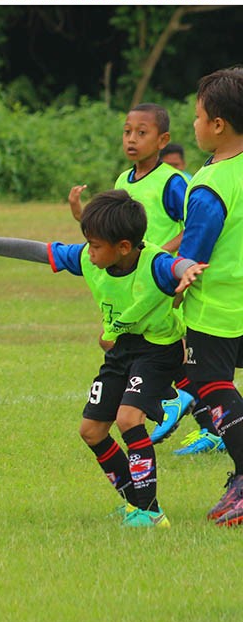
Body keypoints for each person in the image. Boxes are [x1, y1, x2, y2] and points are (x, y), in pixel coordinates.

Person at [0, 189, 205, 528]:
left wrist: (188, 270)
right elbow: (41, 251)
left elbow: (177, 265)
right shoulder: (92, 259)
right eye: (87, 243)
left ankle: (150, 512)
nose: (89, 253)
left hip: (158, 350)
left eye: (96, 246)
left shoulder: (155, 263)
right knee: (91, 431)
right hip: (121, 351)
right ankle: (136, 505)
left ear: (123, 247)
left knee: (129, 418)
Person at [67, 104, 202, 452]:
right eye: (128, 131)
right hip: (134, 282)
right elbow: (110, 230)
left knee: (167, 348)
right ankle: (186, 404)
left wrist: (160, 255)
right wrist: (83, 216)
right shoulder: (122, 181)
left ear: (163, 140)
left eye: (141, 133)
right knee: (115, 341)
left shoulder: (172, 182)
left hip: (165, 278)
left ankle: (189, 407)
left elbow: (195, 226)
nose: (132, 139)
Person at [174, 68, 243, 527]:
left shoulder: (210, 186)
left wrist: (166, 293)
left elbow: (192, 256)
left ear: (217, 124)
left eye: (197, 117)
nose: (194, 125)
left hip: (217, 309)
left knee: (209, 384)